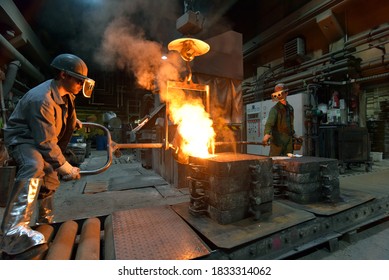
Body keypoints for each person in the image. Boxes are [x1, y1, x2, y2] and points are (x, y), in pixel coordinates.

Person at [1, 53, 95, 257]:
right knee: (35, 166)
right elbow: (45, 142)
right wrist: (67, 167)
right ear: (63, 75)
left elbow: (66, 114)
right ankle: (13, 231)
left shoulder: (67, 94)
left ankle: (45, 224)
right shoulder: (41, 98)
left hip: (41, 139)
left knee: (51, 177)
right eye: (78, 80)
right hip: (23, 139)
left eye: (83, 81)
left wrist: (74, 122)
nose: (80, 84)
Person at [262, 83, 295, 156]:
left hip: (288, 140)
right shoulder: (275, 109)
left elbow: (290, 123)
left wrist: (294, 134)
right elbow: (269, 123)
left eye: (281, 93)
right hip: (278, 141)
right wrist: (267, 134)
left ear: (286, 93)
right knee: (275, 162)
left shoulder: (290, 108)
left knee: (289, 161)